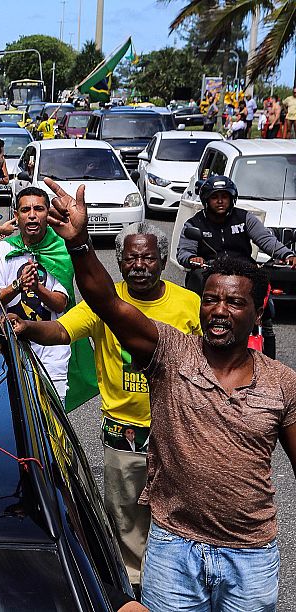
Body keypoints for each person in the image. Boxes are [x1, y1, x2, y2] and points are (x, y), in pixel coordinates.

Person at [37, 174, 296, 610]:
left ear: (257, 313)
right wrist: (80, 245)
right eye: (210, 299)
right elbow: (107, 303)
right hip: (173, 550)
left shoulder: (283, 384)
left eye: (234, 303)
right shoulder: (171, 351)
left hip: (250, 556)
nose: (218, 310)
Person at [7, 220, 201, 586]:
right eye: (130, 259)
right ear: (119, 261)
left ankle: (176, 583)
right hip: (124, 435)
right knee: (127, 518)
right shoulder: (103, 301)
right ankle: (136, 588)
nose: (139, 266)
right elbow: (62, 330)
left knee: (180, 514)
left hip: (179, 431)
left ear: (162, 261)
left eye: (147, 258)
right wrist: (28, 327)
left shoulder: (189, 304)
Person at [177, 174, 295, 358]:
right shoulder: (195, 224)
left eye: (224, 196)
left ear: (232, 198)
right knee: (199, 311)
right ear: (206, 200)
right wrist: (194, 258)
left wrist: (287, 255)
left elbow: (266, 240)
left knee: (267, 312)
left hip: (244, 276)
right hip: (211, 277)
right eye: (215, 197)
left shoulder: (244, 218)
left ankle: (270, 361)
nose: (220, 201)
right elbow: (183, 253)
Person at [0, 187, 70, 400]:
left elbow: (61, 303)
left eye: (39, 209)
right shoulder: (2, 250)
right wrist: (18, 285)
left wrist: (37, 289)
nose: (32, 215)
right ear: (16, 216)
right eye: (25, 210)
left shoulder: (60, 250)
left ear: (47, 214)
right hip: (7, 350)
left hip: (51, 355)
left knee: (53, 422)